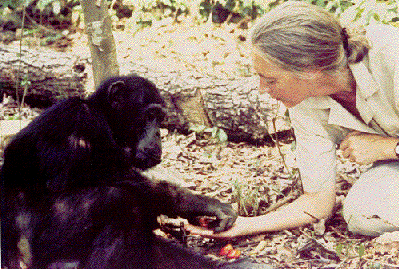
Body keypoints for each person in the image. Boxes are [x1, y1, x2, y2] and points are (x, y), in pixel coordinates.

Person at [186, 1, 399, 238]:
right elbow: (317, 201)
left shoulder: (391, 55)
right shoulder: (305, 100)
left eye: (271, 80)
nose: (262, 89)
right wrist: (245, 225)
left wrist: (389, 148)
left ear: (309, 68)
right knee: (362, 214)